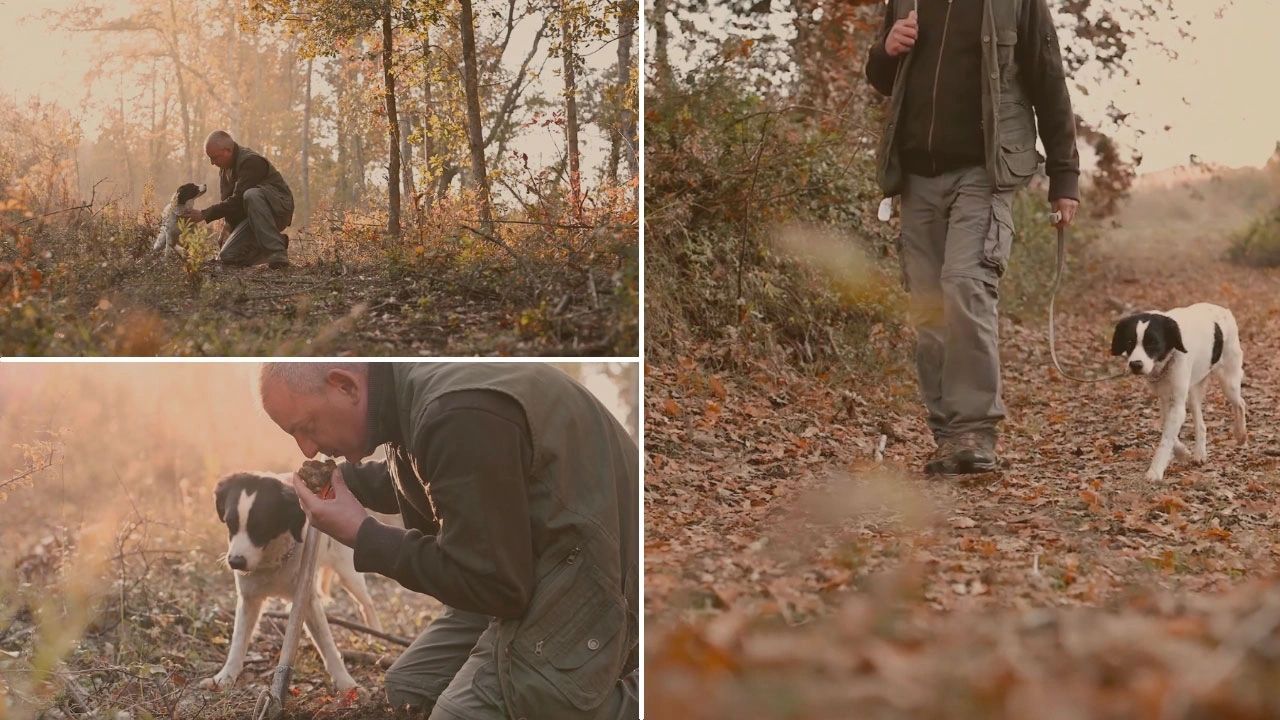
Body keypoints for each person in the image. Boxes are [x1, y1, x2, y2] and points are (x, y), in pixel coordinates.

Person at [257, 362, 639, 720]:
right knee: (408, 690)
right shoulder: (406, 393)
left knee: (465, 714)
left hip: (599, 572)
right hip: (532, 562)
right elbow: (441, 477)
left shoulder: (455, 414)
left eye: (306, 427)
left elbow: (494, 585)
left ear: (345, 386)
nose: (307, 448)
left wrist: (362, 533)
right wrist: (339, 483)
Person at [864, 0, 1081, 475]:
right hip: (916, 175)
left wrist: (1065, 179)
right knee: (929, 309)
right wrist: (886, 49)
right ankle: (947, 435)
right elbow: (883, 78)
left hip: (984, 172)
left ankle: (975, 430)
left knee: (965, 285)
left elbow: (1049, 80)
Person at [181, 130, 294, 269]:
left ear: (228, 150)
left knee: (251, 195)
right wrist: (227, 226)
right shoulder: (224, 168)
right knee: (227, 256)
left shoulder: (251, 161)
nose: (212, 163)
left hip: (278, 210)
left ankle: (278, 254)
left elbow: (239, 200)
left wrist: (204, 214)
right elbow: (228, 201)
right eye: (210, 158)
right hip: (254, 217)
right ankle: (277, 241)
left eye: (214, 157)